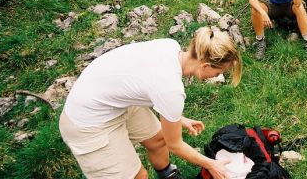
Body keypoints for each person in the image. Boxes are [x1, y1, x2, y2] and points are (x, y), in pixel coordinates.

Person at [59, 26, 242, 179]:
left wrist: (178, 118)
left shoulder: (170, 47)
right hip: (87, 122)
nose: (217, 77)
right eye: (218, 73)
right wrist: (211, 164)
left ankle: (167, 174)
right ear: (205, 66)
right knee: (139, 176)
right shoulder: (170, 88)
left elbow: (145, 84)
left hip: (106, 97)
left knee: (158, 139)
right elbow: (175, 145)